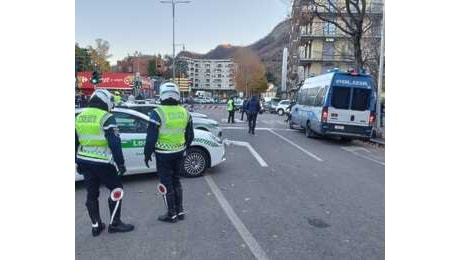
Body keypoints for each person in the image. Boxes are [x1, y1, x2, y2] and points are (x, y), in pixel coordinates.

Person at [75, 89, 134, 237]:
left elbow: (74, 141)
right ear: (105, 101)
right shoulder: (106, 117)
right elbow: (115, 143)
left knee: (91, 193)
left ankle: (96, 226)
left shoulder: (80, 116)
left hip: (84, 161)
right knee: (116, 189)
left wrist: (77, 161)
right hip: (103, 162)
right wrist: (121, 164)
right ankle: (115, 224)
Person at [144, 82, 194, 223]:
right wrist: (184, 147)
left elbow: (151, 137)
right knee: (176, 181)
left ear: (162, 94)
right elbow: (190, 136)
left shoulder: (157, 112)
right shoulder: (185, 112)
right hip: (179, 153)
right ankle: (180, 211)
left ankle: (171, 214)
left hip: (163, 154)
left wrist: (147, 154)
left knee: (166, 183)